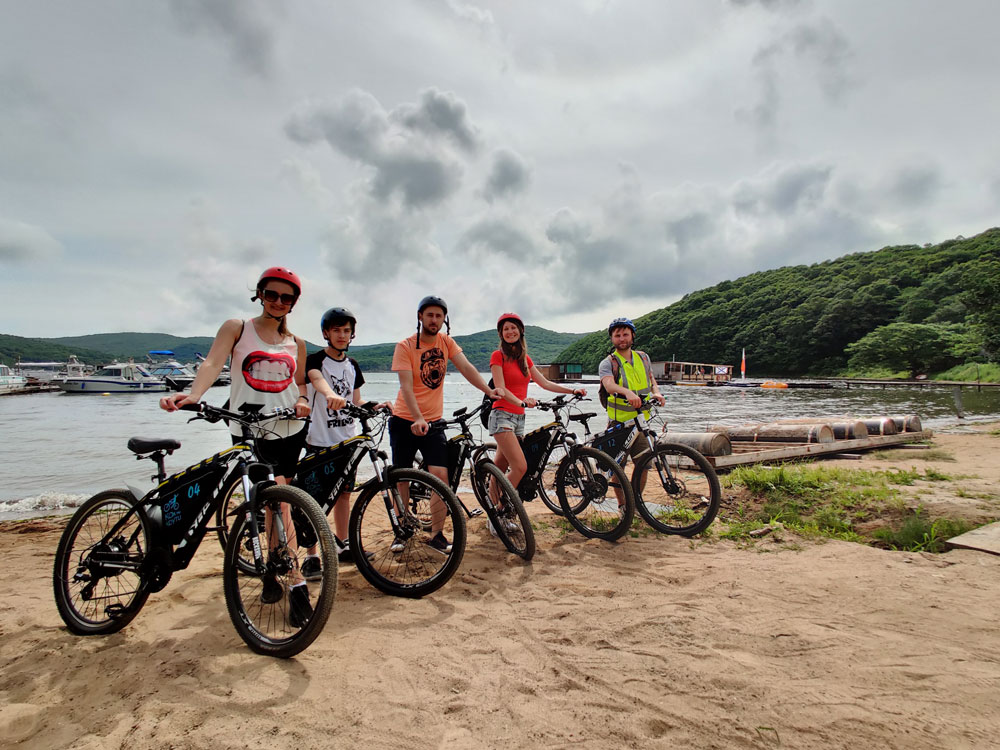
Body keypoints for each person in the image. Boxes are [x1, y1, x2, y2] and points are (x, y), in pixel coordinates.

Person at [160, 266, 312, 624]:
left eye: (286, 297)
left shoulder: (298, 343)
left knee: (278, 504)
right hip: (248, 427)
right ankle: (296, 582)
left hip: (289, 429)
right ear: (259, 294)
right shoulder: (237, 328)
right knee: (276, 503)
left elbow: (301, 382)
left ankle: (274, 571)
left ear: (293, 303)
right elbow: (214, 363)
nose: (278, 301)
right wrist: (194, 395)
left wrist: (304, 400)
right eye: (271, 294)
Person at [389, 295, 500, 554]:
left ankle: (437, 535)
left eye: (439, 316)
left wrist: (488, 391)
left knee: (441, 478)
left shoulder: (446, 342)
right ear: (420, 317)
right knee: (402, 479)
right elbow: (406, 386)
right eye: (430, 315)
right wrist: (417, 417)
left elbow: (466, 368)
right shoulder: (405, 346)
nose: (434, 320)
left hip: (433, 423)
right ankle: (402, 532)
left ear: (444, 319)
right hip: (404, 420)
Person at [300, 307, 391, 575]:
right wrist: (330, 394)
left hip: (346, 441)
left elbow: (356, 400)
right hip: (319, 439)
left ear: (352, 334)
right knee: (313, 499)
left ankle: (343, 545)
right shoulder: (316, 360)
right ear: (326, 333)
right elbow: (316, 379)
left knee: (343, 494)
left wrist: (375, 406)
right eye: (336, 330)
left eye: (346, 331)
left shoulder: (352, 365)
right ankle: (311, 555)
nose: (342, 335)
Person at [488, 313, 585, 531]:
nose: (510, 332)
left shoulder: (525, 359)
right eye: (506, 329)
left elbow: (545, 383)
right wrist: (520, 401)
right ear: (501, 334)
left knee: (500, 468)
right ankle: (500, 513)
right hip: (502, 416)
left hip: (519, 419)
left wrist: (572, 390)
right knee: (520, 467)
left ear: (521, 331)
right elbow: (500, 388)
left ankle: (492, 513)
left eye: (513, 328)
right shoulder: (497, 356)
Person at [599, 317, 666, 504]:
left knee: (644, 464)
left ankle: (636, 502)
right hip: (619, 422)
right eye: (617, 335)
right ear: (612, 338)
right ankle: (623, 506)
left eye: (625, 334)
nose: (622, 338)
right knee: (617, 467)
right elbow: (609, 385)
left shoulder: (643, 358)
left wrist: (657, 392)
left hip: (641, 421)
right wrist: (627, 392)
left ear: (633, 336)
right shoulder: (609, 363)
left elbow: (651, 379)